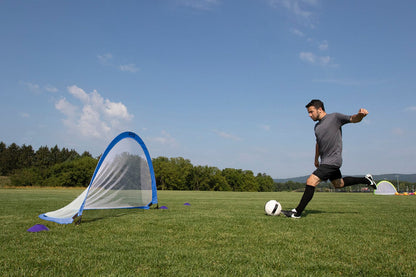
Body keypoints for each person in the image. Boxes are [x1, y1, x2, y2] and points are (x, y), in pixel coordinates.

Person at [281, 99, 377, 218]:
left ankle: (297, 212)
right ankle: (367, 180)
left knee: (311, 181)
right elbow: (318, 143)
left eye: (311, 112)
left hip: (334, 160)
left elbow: (353, 119)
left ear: (320, 109)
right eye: (308, 113)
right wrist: (316, 159)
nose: (309, 115)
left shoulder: (335, 117)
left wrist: (361, 116)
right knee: (339, 184)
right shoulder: (316, 127)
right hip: (325, 161)